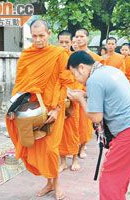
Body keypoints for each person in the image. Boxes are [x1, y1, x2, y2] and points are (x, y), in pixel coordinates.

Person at [66, 51, 130, 200]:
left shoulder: (94, 80)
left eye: (74, 73)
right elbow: (110, 94)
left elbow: (96, 117)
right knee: (119, 178)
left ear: (82, 67)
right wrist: (85, 95)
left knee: (110, 179)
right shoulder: (109, 70)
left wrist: (80, 100)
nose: (75, 78)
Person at [6, 19, 74, 200]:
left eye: (41, 36)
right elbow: (20, 84)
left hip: (52, 109)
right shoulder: (27, 55)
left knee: (51, 148)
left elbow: (65, 82)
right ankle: (49, 183)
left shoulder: (59, 54)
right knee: (37, 148)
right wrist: (14, 108)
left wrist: (58, 109)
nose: (38, 40)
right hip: (32, 110)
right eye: (34, 36)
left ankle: (57, 183)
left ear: (49, 34)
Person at [75, 28, 103, 159]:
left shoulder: (95, 57)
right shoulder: (71, 56)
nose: (79, 39)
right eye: (77, 36)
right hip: (73, 92)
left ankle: (82, 148)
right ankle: (73, 148)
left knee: (85, 124)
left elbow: (99, 76)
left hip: (87, 93)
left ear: (88, 39)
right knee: (73, 123)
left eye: (82, 36)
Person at [57, 30, 81, 172]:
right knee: (60, 131)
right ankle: (63, 162)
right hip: (59, 99)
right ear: (58, 42)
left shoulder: (75, 58)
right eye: (61, 42)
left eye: (67, 42)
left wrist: (72, 93)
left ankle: (75, 159)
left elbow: (79, 78)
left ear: (72, 43)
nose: (64, 45)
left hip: (72, 99)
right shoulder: (55, 58)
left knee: (73, 130)